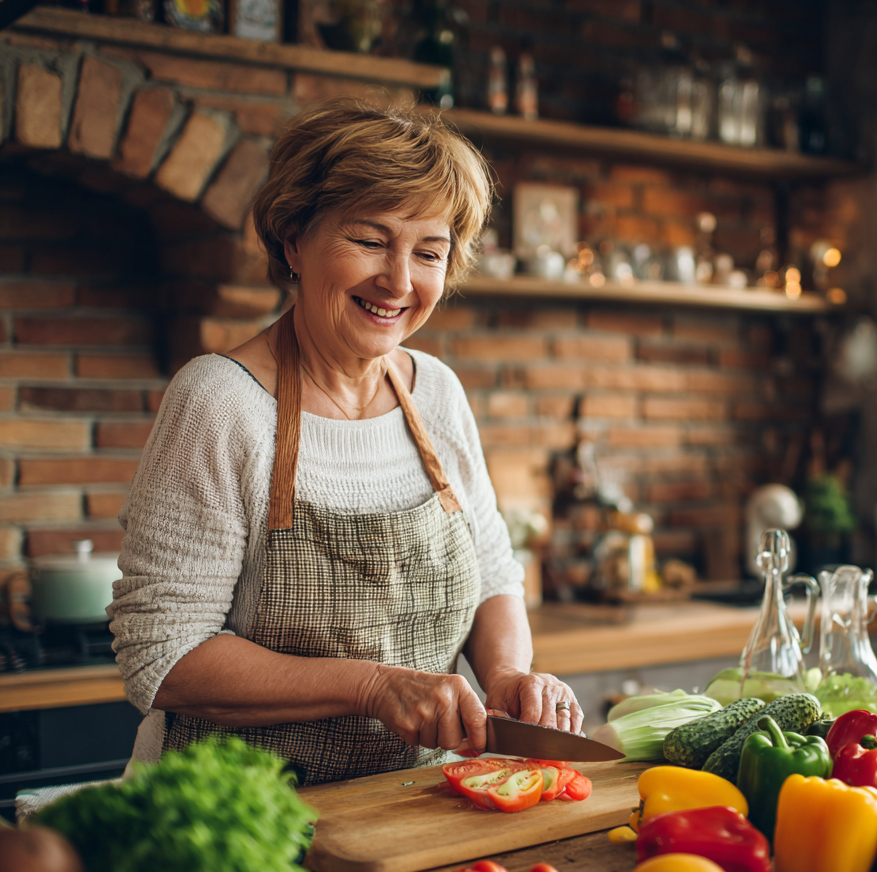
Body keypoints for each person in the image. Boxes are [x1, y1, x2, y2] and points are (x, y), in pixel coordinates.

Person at [110, 102, 582, 785]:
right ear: (294, 240)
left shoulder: (437, 394)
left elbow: (492, 576)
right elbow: (164, 654)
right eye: (369, 240)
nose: (398, 281)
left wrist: (508, 674)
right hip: (237, 820)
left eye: (429, 252)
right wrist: (372, 687)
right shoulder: (221, 403)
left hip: (407, 808)